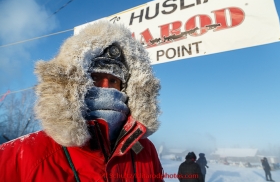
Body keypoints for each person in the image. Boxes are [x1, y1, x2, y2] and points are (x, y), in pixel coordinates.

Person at [0, 21, 164, 181]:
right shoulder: (22, 154)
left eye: (114, 81)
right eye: (95, 78)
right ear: (74, 83)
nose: (106, 88)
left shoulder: (145, 151)